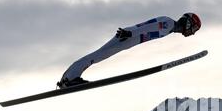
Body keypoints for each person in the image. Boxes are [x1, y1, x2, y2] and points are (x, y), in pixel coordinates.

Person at [57, 13, 202, 89]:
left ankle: (68, 78)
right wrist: (130, 33)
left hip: (130, 38)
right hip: (128, 37)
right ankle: (69, 79)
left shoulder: (170, 27)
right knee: (98, 55)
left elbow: (146, 29)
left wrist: (131, 34)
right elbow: (147, 27)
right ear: (188, 23)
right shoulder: (168, 23)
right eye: (194, 28)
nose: (192, 32)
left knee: (98, 55)